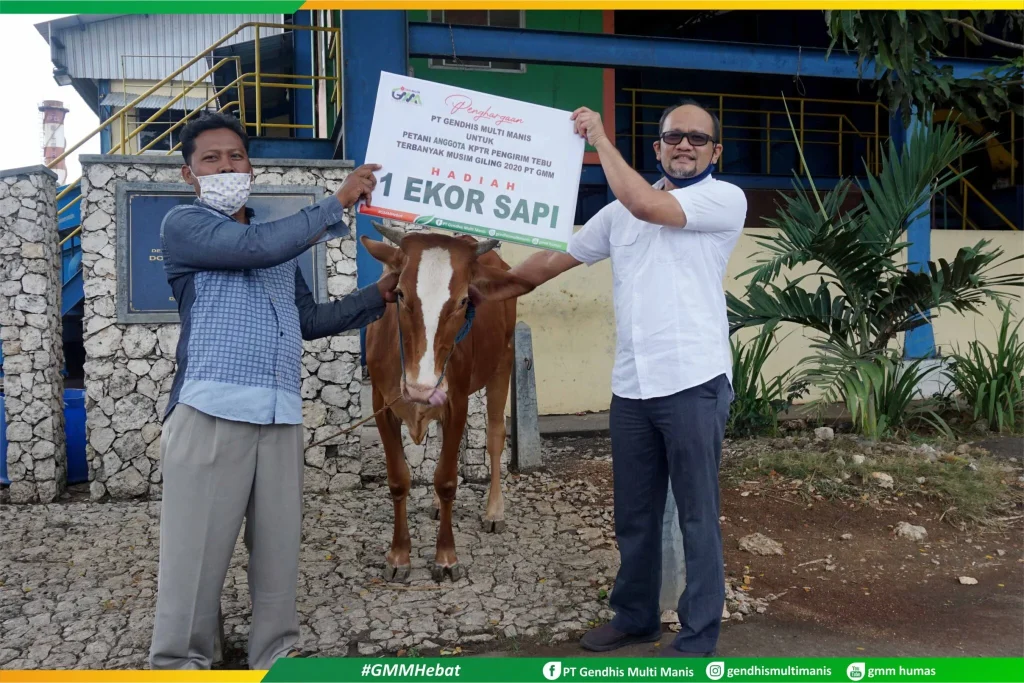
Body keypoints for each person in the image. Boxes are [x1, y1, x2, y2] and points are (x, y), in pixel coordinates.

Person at [149, 112, 397, 669]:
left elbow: (308, 319)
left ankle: (275, 655)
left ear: (251, 169)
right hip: (210, 411)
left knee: (278, 555)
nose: (225, 166)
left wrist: (381, 294)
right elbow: (256, 247)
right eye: (210, 159)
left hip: (280, 414)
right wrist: (335, 203)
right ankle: (181, 660)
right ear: (190, 174)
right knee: (194, 557)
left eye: (235, 157)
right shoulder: (184, 225)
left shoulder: (277, 249)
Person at [509, 100, 746, 657]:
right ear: (658, 146)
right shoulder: (616, 217)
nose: (684, 145)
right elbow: (554, 263)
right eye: (673, 137)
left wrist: (598, 139)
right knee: (634, 514)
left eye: (697, 138)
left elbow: (644, 201)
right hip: (633, 387)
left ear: (716, 151)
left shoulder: (722, 198)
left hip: (693, 381)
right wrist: (486, 286)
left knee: (696, 513)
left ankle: (699, 631)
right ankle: (636, 616)